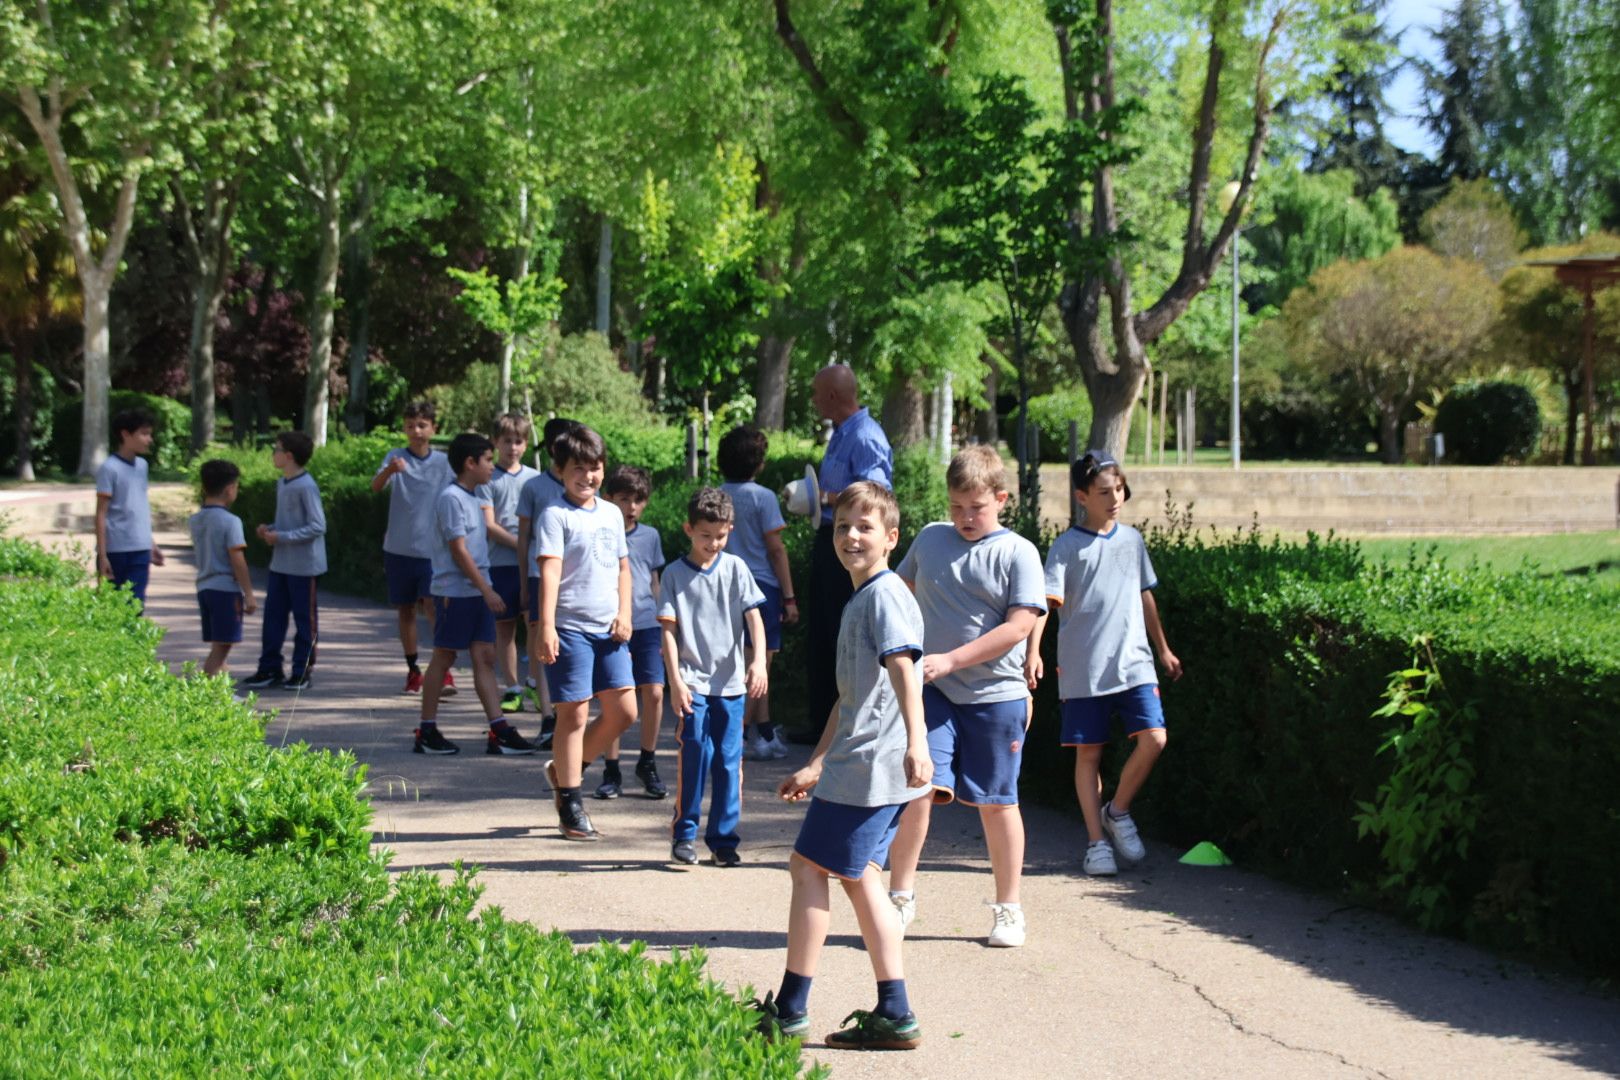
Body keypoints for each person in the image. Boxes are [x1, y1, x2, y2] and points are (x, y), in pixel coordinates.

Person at [753, 482, 931, 1051]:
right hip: (861, 767)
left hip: (869, 772)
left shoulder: (882, 597)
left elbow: (904, 669)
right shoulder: (866, 597)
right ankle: (895, 1013)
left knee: (807, 869)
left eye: (864, 526)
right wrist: (815, 764)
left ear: (891, 538)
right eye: (840, 526)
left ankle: (790, 1010)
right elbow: (850, 698)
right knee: (861, 880)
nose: (851, 536)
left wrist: (918, 742)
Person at [885, 445, 1044, 947]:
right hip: (931, 692)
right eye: (956, 507)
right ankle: (899, 898)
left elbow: (1020, 626)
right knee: (917, 790)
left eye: (975, 507)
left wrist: (952, 658)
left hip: (996, 696)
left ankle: (1008, 909)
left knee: (997, 803)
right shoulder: (931, 539)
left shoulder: (1019, 552)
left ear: (1000, 499)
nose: (965, 518)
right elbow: (898, 589)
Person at [1035, 452, 1183, 876]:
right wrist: (1031, 652)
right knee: (1089, 755)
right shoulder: (1065, 547)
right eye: (1104, 492)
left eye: (1118, 489)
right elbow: (1046, 604)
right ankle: (1096, 843)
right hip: (1084, 669)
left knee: (1155, 738)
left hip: (1134, 664)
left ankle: (1117, 811)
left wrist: (1164, 649)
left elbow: (1145, 594)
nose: (1115, 498)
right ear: (1083, 497)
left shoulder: (1133, 540)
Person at [534, 424, 638, 840]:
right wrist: (545, 626)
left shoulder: (612, 513)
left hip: (609, 629)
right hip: (570, 627)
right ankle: (571, 804)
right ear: (560, 471)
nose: (588, 477)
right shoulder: (555, 515)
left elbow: (624, 568)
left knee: (624, 711)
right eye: (578, 469)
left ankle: (564, 771)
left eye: (595, 468)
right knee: (574, 713)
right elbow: (550, 571)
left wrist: (625, 612)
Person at [658, 487, 768, 866]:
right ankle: (684, 835)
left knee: (727, 761)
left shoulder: (736, 568)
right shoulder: (673, 574)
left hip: (731, 685)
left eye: (721, 536)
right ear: (689, 529)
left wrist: (759, 662)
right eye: (705, 536)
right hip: (691, 683)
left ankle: (723, 840)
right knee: (695, 758)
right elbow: (668, 634)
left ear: (730, 530)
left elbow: (754, 616)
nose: (713, 543)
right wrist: (675, 681)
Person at [413, 433, 536, 756]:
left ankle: (499, 730)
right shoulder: (451, 498)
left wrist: (485, 589)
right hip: (456, 593)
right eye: (487, 460)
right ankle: (426, 730)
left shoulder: (473, 496)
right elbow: (459, 551)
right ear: (470, 463)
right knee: (445, 655)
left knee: (485, 656)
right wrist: (487, 589)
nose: (492, 466)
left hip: (477, 592)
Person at [805, 365, 892, 743]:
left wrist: (823, 498)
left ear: (834, 397)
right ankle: (820, 725)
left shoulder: (866, 436)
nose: (813, 401)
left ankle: (843, 727)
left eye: (816, 393)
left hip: (850, 543)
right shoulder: (842, 433)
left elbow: (876, 493)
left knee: (842, 630)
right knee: (823, 633)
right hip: (829, 537)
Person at [717, 425, 798, 761]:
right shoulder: (763, 497)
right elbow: (776, 549)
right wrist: (790, 597)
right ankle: (734, 737)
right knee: (759, 666)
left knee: (743, 664)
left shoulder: (717, 495)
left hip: (722, 586)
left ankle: (762, 732)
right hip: (762, 587)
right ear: (759, 464)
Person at [372, 401, 458, 695]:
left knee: (434, 608)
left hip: (432, 550)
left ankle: (443, 670)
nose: (416, 431)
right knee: (405, 609)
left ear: (433, 428)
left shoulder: (444, 463)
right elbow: (375, 486)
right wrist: (390, 472)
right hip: (398, 548)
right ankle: (413, 670)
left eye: (422, 425)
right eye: (410, 426)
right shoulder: (395, 457)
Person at [597, 464, 669, 800]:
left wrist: (663, 617)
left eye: (638, 499)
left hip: (647, 624)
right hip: (612, 625)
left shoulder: (650, 536)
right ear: (608, 498)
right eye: (624, 498)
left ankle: (647, 761)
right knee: (616, 697)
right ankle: (611, 768)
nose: (632, 506)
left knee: (654, 692)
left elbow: (654, 580)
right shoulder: (601, 531)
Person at [241, 431, 327, 691]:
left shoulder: (306, 485)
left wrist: (283, 536)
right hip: (281, 564)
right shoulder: (283, 483)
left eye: (276, 449)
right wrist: (272, 529)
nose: (273, 454)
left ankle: (302, 671)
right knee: (273, 618)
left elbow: (317, 525)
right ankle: (270, 668)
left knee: (304, 620)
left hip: (303, 566)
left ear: (288, 455)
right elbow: (291, 522)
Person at [516, 417, 583, 746]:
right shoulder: (534, 487)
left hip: (579, 581)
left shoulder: (587, 485)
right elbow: (524, 536)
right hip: (540, 573)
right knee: (544, 646)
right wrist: (524, 581)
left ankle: (569, 715)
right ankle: (547, 717)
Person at [486, 413, 539, 714]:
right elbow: (489, 525)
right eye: (507, 441)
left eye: (518, 441)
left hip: (531, 564)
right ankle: (512, 687)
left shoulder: (533, 478)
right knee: (504, 627)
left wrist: (530, 548)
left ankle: (534, 682)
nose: (513, 448)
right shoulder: (488, 477)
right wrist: (519, 543)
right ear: (496, 442)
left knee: (532, 623)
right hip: (500, 564)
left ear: (526, 444)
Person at [189, 459, 256, 677]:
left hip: (204, 586)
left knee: (219, 643)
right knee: (222, 646)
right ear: (229, 489)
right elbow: (237, 559)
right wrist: (249, 593)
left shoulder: (197, 519)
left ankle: (222, 688)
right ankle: (209, 692)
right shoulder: (231, 521)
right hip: (225, 587)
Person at [94, 407, 165, 608]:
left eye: (149, 434)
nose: (149, 439)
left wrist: (151, 543)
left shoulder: (142, 466)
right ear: (125, 434)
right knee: (113, 607)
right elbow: (101, 513)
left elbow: (138, 506)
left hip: (140, 548)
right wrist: (103, 555)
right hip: (117, 549)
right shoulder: (109, 468)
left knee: (136, 605)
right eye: (143, 434)